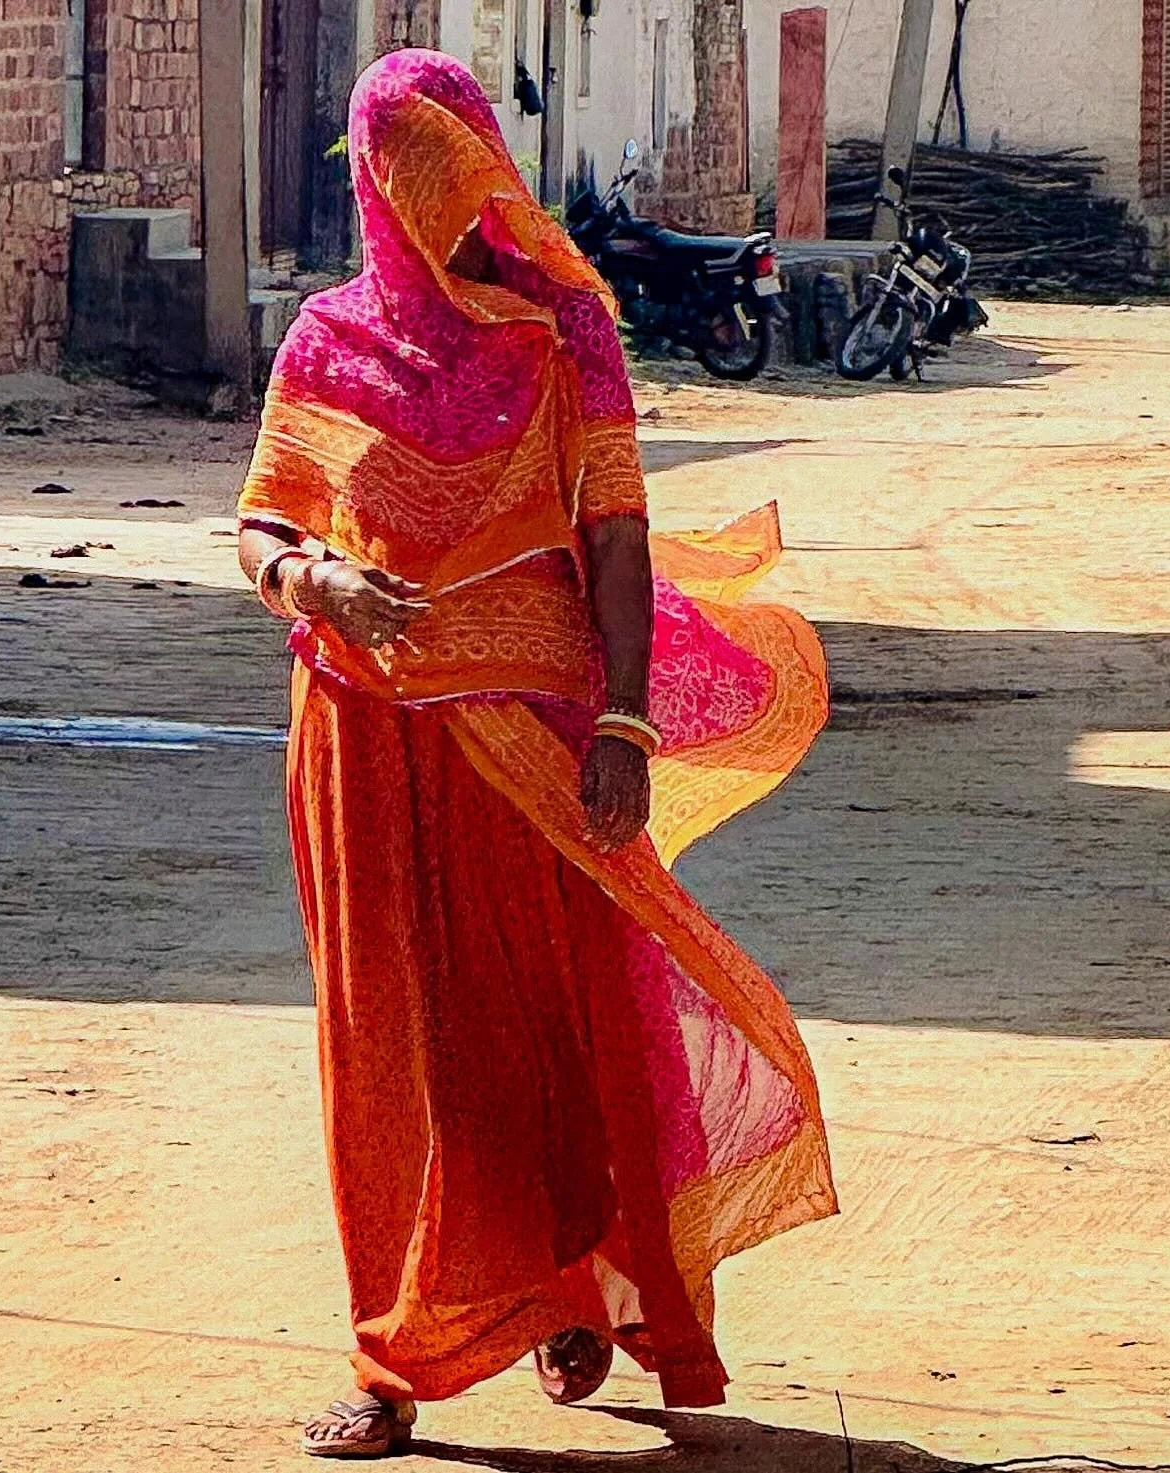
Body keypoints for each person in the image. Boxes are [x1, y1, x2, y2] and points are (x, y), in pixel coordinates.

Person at [235, 48, 836, 1460]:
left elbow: (615, 535)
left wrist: (626, 721)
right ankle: (393, 1360)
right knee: (390, 1050)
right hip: (359, 735)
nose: (452, 214)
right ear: (379, 188)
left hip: (531, 736)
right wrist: (316, 583)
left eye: (468, 181)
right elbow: (261, 520)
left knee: (543, 1026)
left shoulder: (564, 330)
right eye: (419, 186)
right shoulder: (325, 341)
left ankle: (569, 1278)